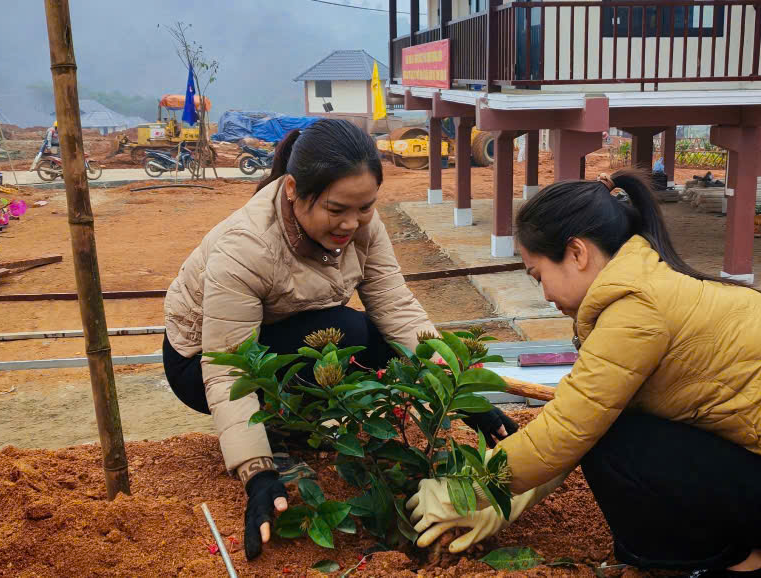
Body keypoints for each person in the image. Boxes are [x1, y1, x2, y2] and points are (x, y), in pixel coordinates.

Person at [406, 169, 761, 577]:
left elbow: (572, 430)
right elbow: (584, 422)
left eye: (537, 274)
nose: (543, 293)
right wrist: (508, 502)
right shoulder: (645, 289)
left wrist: (465, 489)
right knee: (617, 436)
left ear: (576, 253)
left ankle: (739, 565)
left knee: (620, 447)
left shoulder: (638, 310)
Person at [162, 118, 517, 561]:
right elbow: (227, 366)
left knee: (375, 337)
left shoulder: (362, 222)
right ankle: (274, 432)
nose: (352, 223)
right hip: (200, 363)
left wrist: (462, 395)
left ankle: (294, 421)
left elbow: (396, 305)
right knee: (349, 333)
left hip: (287, 331)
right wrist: (257, 473)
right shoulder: (246, 249)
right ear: (293, 189)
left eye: (365, 206)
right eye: (336, 210)